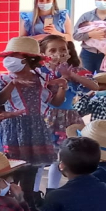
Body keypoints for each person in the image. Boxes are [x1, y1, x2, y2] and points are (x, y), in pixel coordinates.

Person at [0, 37, 61, 211]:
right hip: (13, 127)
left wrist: (63, 87)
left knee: (33, 168)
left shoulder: (43, 78)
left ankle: (28, 202)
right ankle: (11, 202)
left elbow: (56, 102)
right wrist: (12, 84)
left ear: (29, 59)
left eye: (15, 55)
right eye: (10, 56)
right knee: (15, 168)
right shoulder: (3, 78)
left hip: (37, 126)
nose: (10, 60)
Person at [38, 35, 93, 190]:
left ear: (69, 50)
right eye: (52, 50)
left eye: (63, 49)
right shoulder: (40, 72)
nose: (58, 53)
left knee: (61, 157)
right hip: (45, 117)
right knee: (40, 159)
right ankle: (34, 194)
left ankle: (52, 190)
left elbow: (93, 86)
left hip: (68, 118)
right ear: (43, 54)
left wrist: (71, 76)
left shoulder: (74, 70)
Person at [73, 0, 106, 74]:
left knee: (105, 82)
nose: (102, 1)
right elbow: (75, 35)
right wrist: (90, 34)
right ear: (95, 1)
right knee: (84, 81)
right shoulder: (86, 16)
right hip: (87, 54)